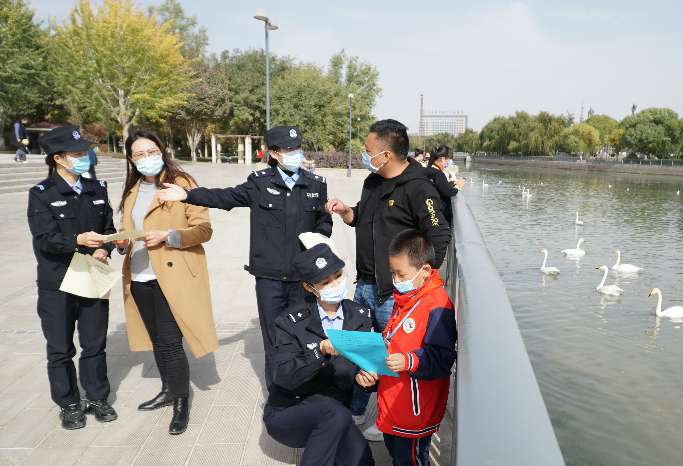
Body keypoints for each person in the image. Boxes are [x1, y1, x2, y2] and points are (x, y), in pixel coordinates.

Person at [156, 126, 332, 387]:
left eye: (297, 148)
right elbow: (226, 197)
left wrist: (318, 240)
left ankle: (305, 386)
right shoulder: (260, 184)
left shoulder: (316, 185)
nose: (295, 154)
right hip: (269, 278)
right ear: (274, 153)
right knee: (274, 338)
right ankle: (277, 391)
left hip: (303, 279)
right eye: (288, 150)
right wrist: (188, 195)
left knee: (304, 333)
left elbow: (324, 223)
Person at [325, 119, 451, 442]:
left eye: (369, 151)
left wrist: (413, 280)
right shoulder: (372, 182)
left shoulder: (419, 188)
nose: (365, 156)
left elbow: (439, 237)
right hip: (364, 285)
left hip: (393, 294)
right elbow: (361, 219)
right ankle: (354, 411)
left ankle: (386, 420)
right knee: (362, 353)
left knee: (390, 358)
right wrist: (345, 212)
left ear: (386, 154)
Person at [265, 244, 375, 466]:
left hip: (331, 413)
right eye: (324, 281)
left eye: (337, 276)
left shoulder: (360, 315)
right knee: (334, 412)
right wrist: (320, 353)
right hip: (289, 412)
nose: (334, 284)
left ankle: (323, 451)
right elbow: (283, 376)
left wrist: (370, 378)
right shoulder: (290, 322)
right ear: (309, 287)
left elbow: (367, 362)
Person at [117, 130, 217, 435]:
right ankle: (168, 389)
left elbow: (204, 230)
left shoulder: (182, 184)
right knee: (157, 341)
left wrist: (168, 236)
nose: (146, 158)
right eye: (139, 154)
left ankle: (181, 401)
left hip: (172, 276)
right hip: (139, 275)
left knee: (172, 342)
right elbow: (128, 228)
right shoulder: (132, 190)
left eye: (151, 151)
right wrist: (121, 243)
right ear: (131, 160)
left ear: (162, 150)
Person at [356, 230, 456, 466]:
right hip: (395, 399)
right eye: (394, 273)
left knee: (413, 458)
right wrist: (372, 370)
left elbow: (441, 358)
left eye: (401, 273)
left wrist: (411, 360)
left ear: (424, 271)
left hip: (416, 406)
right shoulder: (408, 297)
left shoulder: (437, 305)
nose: (395, 279)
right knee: (399, 455)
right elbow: (393, 341)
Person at [27, 125, 118, 430]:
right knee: (60, 347)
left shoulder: (96, 189)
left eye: (85, 152)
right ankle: (68, 403)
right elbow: (44, 240)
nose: (85, 157)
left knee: (95, 343)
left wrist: (106, 247)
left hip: (93, 274)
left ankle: (97, 397)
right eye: (78, 154)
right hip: (58, 283)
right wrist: (78, 241)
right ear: (58, 159)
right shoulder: (42, 195)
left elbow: (107, 227)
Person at [426, 145, 465, 226]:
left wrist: (453, 184)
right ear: (442, 159)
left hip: (430, 212)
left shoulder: (429, 170)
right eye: (448, 161)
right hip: (438, 217)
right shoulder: (437, 173)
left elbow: (442, 186)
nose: (447, 164)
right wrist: (458, 187)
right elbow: (448, 192)